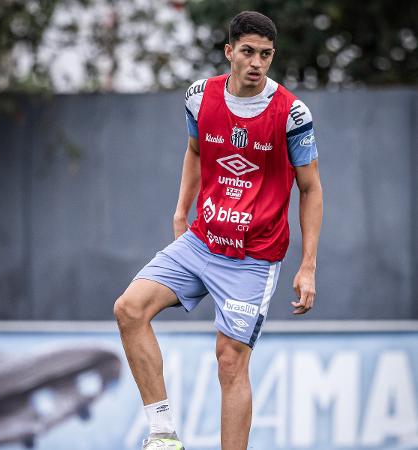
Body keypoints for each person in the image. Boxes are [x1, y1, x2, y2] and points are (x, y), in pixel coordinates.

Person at [114, 10, 323, 450]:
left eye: (266, 55)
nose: (257, 63)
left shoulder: (292, 113)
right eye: (248, 52)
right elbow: (194, 151)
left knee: (230, 362)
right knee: (129, 309)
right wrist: (180, 211)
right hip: (202, 241)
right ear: (229, 52)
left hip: (253, 259)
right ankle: (163, 433)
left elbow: (311, 188)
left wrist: (307, 266)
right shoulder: (198, 97)